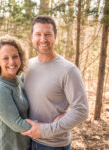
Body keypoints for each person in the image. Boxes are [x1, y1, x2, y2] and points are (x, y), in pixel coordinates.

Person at [21, 15, 89, 150]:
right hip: (27, 140)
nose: (43, 39)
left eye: (48, 34)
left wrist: (45, 130)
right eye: (38, 34)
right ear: (31, 37)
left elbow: (81, 110)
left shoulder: (68, 70)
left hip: (53, 145)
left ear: (55, 37)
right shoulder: (27, 66)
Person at [0, 35, 31, 150]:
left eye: (15, 56)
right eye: (5, 58)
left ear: (20, 58)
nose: (11, 61)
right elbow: (17, 124)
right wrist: (48, 127)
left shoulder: (19, 81)